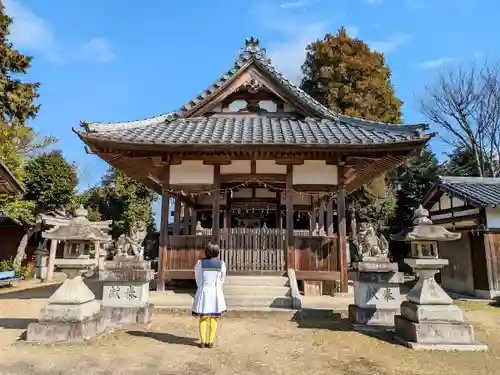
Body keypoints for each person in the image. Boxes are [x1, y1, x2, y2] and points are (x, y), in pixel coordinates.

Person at [191, 243, 227, 348]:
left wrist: (201, 287)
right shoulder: (221, 264)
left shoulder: (200, 263)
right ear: (217, 252)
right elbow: (222, 279)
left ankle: (202, 342)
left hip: (204, 291)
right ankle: (210, 342)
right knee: (213, 317)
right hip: (216, 292)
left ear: (206, 252)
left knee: (203, 317)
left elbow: (198, 278)